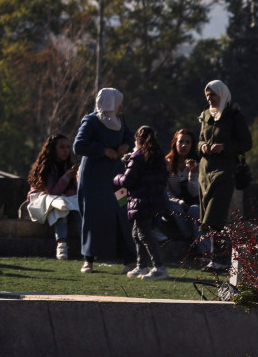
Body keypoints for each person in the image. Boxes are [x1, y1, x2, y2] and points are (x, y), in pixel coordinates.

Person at [72, 88, 137, 274]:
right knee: (92, 217)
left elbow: (130, 136)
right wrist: (103, 150)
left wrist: (125, 144)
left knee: (123, 210)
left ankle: (130, 259)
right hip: (93, 178)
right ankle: (88, 260)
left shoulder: (121, 120)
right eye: (118, 102)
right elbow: (79, 145)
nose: (121, 106)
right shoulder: (91, 121)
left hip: (117, 176)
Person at [198, 80, 252, 272]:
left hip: (224, 172)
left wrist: (224, 147)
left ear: (222, 94)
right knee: (208, 217)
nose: (210, 99)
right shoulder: (205, 115)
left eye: (213, 95)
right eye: (207, 95)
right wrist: (202, 146)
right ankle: (217, 259)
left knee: (216, 215)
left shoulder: (233, 116)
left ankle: (220, 259)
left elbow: (246, 143)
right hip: (206, 173)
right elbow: (200, 140)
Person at [113, 125, 169, 280]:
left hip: (140, 200)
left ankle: (159, 267)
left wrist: (116, 178)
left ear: (137, 139)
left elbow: (128, 181)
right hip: (153, 200)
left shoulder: (137, 157)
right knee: (137, 234)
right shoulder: (157, 156)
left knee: (144, 235)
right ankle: (141, 266)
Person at [26, 134, 79, 260]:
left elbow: (74, 190)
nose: (66, 150)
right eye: (61, 147)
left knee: (80, 207)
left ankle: (87, 244)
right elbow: (52, 192)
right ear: (53, 149)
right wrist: (66, 177)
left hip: (62, 197)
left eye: (67, 147)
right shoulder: (46, 167)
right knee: (59, 207)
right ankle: (61, 243)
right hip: (42, 198)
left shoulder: (68, 164)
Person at [162, 128, 201, 245]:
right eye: (181, 142)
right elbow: (165, 190)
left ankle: (198, 245)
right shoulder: (167, 163)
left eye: (187, 142)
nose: (184, 145)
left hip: (193, 201)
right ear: (175, 143)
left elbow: (195, 193)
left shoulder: (197, 163)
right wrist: (179, 202)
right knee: (175, 208)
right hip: (174, 202)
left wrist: (193, 174)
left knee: (195, 210)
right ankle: (188, 236)